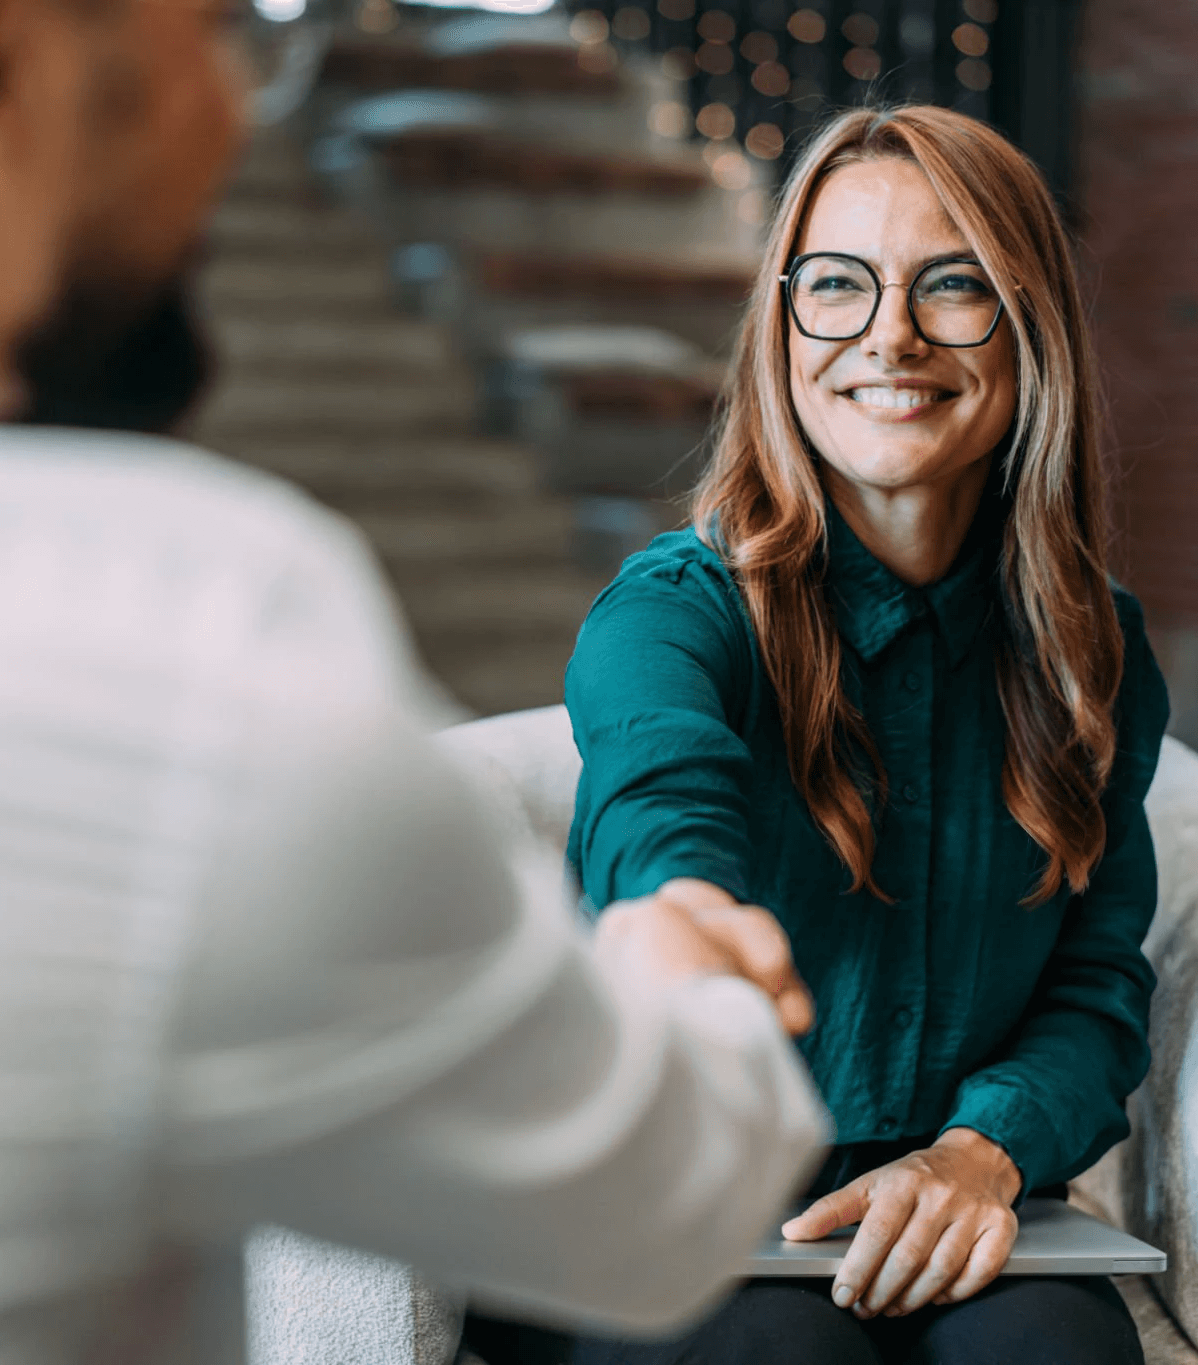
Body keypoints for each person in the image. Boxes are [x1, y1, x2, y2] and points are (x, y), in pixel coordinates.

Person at [0, 1, 828, 1360]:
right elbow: (654, 1206)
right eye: (211, 31)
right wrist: (678, 964)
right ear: (28, 52)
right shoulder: (196, 644)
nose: (231, 112)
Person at [557, 106, 1169, 1365]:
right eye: (835, 286)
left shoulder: (1091, 649)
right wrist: (678, 916)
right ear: (782, 327)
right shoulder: (675, 614)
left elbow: (1094, 988)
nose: (887, 335)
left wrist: (978, 1151)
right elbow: (657, 803)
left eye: (953, 288)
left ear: (1029, 327)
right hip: (680, 1202)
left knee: (1058, 1352)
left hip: (943, 1201)